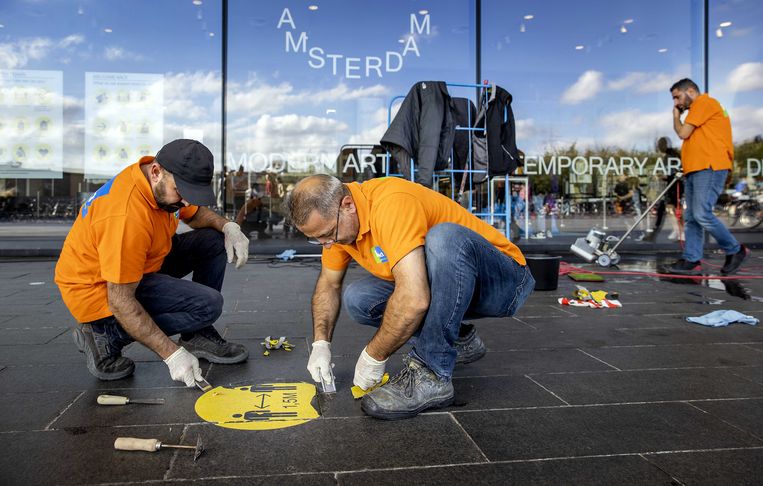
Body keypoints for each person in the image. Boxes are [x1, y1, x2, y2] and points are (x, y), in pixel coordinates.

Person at [285, 175, 534, 420]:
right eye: (316, 239)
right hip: (453, 287)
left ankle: (432, 372)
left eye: (328, 233)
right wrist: (320, 344)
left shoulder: (392, 203)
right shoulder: (338, 225)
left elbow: (414, 299)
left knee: (444, 237)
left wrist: (373, 356)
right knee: (359, 298)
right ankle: (459, 340)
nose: (326, 244)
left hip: (504, 283)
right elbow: (329, 283)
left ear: (347, 205)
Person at [55, 139, 250, 386]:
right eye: (182, 193)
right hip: (100, 289)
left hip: (141, 261)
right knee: (208, 305)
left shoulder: (160, 184)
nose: (186, 203)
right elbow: (121, 299)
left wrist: (228, 226)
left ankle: (197, 334)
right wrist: (171, 354)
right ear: (156, 172)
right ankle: (105, 335)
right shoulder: (126, 216)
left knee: (212, 240)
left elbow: (196, 213)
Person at [666, 78, 748, 275]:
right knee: (692, 217)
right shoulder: (699, 109)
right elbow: (687, 135)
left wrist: (676, 116)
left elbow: (683, 133)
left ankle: (735, 250)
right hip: (695, 169)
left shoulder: (704, 103)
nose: (676, 103)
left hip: (709, 166)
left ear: (691, 91)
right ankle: (692, 260)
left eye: (677, 97)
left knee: (701, 214)